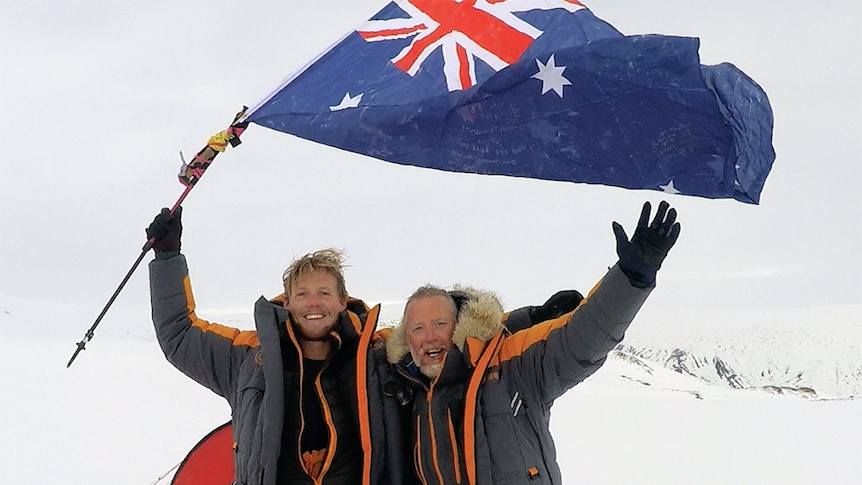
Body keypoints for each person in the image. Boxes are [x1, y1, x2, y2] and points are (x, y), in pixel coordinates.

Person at [145, 206, 583, 485]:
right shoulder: (249, 357)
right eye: (302, 294)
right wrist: (167, 258)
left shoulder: (375, 355)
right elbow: (179, 335)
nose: (313, 304)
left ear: (341, 300)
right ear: (287, 302)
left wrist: (526, 319)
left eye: (323, 294)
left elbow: (440, 335)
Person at [383, 200, 681, 485]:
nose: (430, 337)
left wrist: (630, 278)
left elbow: (581, 341)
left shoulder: (511, 368)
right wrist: (531, 316)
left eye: (439, 324)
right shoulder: (408, 391)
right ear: (406, 340)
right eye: (418, 328)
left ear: (460, 326)